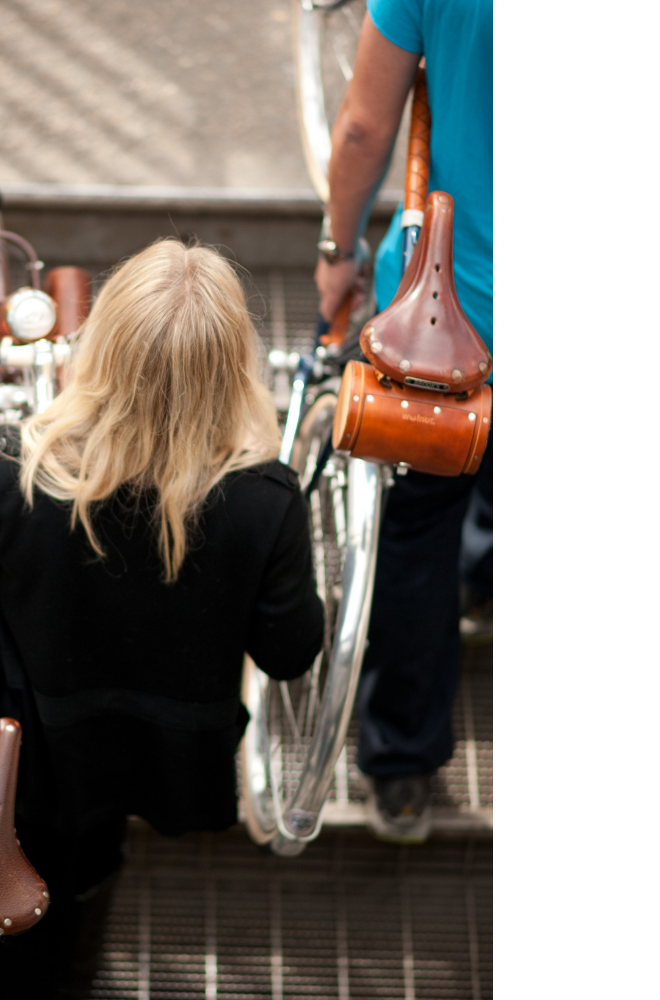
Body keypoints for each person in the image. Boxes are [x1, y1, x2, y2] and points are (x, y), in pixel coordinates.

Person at [0, 239, 325, 999]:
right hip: (170, 750)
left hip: (40, 748)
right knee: (98, 851)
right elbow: (291, 652)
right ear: (233, 368)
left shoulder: (11, 464)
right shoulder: (268, 499)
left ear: (100, 344)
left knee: (45, 880)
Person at [314, 0, 492, 842]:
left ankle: (403, 767)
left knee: (416, 537)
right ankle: (487, 580)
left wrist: (338, 252)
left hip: (448, 324)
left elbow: (362, 130)